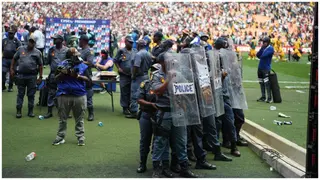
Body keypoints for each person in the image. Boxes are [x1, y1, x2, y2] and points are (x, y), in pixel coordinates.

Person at [151, 41, 199, 178]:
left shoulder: (178, 73)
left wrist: (186, 99)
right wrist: (168, 80)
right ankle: (159, 169)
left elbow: (188, 89)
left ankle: (184, 168)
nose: (172, 63)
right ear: (162, 63)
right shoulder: (157, 75)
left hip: (178, 112)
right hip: (164, 113)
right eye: (169, 61)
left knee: (181, 141)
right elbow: (156, 91)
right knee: (161, 142)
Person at [52, 47, 92, 146]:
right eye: (75, 54)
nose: (78, 55)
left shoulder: (82, 66)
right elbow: (54, 80)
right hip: (64, 95)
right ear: (70, 56)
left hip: (79, 95)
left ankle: (80, 138)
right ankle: (60, 137)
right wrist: (62, 74)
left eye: (78, 53)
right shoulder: (62, 65)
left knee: (79, 118)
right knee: (62, 118)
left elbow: (89, 80)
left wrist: (77, 76)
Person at [136, 63, 161, 173]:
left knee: (158, 141)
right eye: (152, 70)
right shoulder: (145, 84)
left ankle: (157, 165)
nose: (153, 73)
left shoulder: (164, 85)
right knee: (145, 141)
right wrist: (150, 104)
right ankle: (142, 164)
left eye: (156, 70)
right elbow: (139, 99)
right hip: (146, 114)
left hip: (160, 116)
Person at [10, 36, 43, 118]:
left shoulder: (38, 52)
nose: (31, 43)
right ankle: (18, 110)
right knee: (20, 94)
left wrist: (40, 77)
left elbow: (41, 65)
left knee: (31, 94)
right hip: (21, 75)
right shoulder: (21, 49)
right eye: (30, 41)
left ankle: (30, 111)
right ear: (28, 41)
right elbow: (14, 59)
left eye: (32, 42)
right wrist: (11, 69)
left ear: (35, 43)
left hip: (32, 76)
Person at [126, 39, 153, 118]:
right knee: (144, 94)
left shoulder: (138, 54)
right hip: (145, 75)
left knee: (134, 94)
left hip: (138, 77)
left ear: (139, 45)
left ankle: (134, 112)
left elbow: (136, 66)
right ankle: (144, 111)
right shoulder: (148, 54)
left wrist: (133, 75)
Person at [44, 34, 68, 119]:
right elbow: (48, 62)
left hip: (64, 75)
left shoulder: (66, 50)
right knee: (51, 92)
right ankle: (49, 111)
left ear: (61, 40)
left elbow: (69, 62)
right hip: (54, 74)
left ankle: (65, 111)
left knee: (65, 93)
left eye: (56, 39)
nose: (54, 40)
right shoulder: (51, 50)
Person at [114, 35, 137, 116]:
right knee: (124, 91)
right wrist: (118, 68)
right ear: (125, 42)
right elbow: (115, 60)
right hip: (124, 75)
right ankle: (125, 107)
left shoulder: (135, 51)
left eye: (132, 43)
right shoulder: (121, 51)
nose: (131, 44)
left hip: (132, 75)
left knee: (132, 91)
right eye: (129, 42)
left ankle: (131, 107)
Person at [79, 35, 95, 121]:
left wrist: (80, 61)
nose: (78, 41)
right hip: (79, 75)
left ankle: (91, 113)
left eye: (80, 40)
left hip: (87, 75)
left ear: (83, 41)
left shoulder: (89, 51)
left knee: (88, 95)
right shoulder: (81, 50)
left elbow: (90, 63)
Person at [2, 27, 22, 92]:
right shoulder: (4, 40)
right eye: (9, 33)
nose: (10, 34)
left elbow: (20, 49)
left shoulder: (16, 41)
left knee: (12, 73)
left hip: (13, 60)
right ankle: (2, 86)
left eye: (12, 33)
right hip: (5, 59)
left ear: (14, 34)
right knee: (3, 72)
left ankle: (10, 87)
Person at [256, 37, 274, 103]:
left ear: (268, 42)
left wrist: (262, 50)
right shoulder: (263, 48)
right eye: (263, 42)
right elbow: (257, 55)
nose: (263, 43)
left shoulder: (270, 49)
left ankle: (269, 98)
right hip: (260, 67)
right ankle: (263, 97)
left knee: (267, 83)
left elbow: (263, 56)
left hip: (266, 68)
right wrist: (261, 48)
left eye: (265, 42)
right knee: (261, 83)